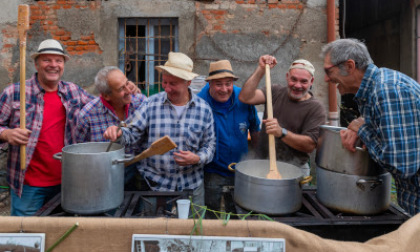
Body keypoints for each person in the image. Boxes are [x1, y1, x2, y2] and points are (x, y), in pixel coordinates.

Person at [321, 38, 420, 215]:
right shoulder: (374, 90)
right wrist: (361, 122)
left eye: (329, 71)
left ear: (350, 66)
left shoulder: (388, 91)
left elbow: (401, 165)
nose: (326, 78)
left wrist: (362, 130)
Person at [103, 52, 216, 208]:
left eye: (173, 84)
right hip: (155, 186)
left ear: (188, 82)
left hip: (191, 186)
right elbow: (132, 133)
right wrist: (119, 133)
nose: (167, 88)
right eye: (164, 82)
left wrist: (197, 158)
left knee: (193, 230)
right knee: (153, 230)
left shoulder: (204, 110)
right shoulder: (151, 104)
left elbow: (209, 146)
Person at [0, 39, 95, 216]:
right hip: (28, 185)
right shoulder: (14, 93)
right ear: (36, 64)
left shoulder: (73, 92)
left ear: (64, 64)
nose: (53, 65)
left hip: (67, 183)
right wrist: (6, 133)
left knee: (61, 236)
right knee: (26, 237)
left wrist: (129, 93)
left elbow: (101, 107)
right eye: (47, 60)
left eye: (58, 60)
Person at [239, 56, 326, 176]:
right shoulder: (275, 92)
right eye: (293, 79)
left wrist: (281, 133)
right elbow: (245, 97)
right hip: (262, 165)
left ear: (311, 82)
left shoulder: (316, 109)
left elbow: (310, 145)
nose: (297, 85)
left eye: (304, 81)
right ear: (287, 77)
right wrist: (261, 69)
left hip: (295, 169)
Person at [197, 59, 260, 214]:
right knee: (213, 214)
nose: (224, 89)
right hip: (212, 171)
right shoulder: (200, 103)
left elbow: (255, 128)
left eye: (228, 83)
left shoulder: (244, 98)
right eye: (218, 84)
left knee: (240, 214)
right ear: (209, 83)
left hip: (242, 170)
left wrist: (259, 159)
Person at [76, 66, 147, 190]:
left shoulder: (140, 102)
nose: (129, 91)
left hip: (140, 175)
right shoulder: (87, 115)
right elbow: (80, 153)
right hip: (104, 178)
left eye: (127, 84)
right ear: (106, 95)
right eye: (121, 88)